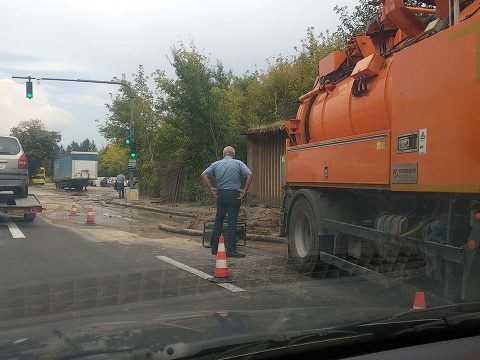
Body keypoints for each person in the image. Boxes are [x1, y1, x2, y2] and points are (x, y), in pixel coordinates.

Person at [201, 146, 253, 258]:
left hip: (221, 194)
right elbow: (249, 174)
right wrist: (244, 190)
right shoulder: (238, 163)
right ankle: (230, 250)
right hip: (234, 195)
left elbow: (204, 175)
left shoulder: (216, 164)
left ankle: (214, 248)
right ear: (233, 154)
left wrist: (212, 189)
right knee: (232, 222)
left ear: (224, 154)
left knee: (218, 220)